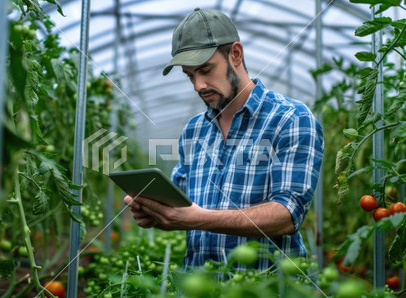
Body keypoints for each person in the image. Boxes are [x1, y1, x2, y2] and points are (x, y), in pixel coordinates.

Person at [124, 8, 324, 271]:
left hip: (264, 293)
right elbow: (184, 207)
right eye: (190, 75)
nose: (199, 85)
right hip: (198, 291)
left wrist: (198, 219)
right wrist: (155, 213)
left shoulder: (290, 119)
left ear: (236, 54)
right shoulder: (195, 130)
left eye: (206, 69)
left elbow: (287, 215)